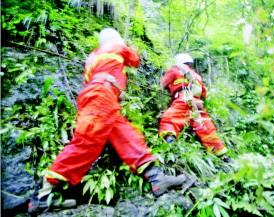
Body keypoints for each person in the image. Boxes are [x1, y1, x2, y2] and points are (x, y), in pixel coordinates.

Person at [28, 28, 186, 213]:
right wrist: (129, 47)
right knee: (84, 145)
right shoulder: (116, 46)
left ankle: (156, 178)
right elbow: (135, 60)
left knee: (128, 138)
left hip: (99, 99)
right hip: (101, 97)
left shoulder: (92, 57)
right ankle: (41, 195)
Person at [159, 53, 229, 157]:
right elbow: (204, 93)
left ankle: (170, 140)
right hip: (197, 104)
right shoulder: (197, 76)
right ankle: (222, 154)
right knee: (205, 127)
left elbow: (163, 83)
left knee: (170, 118)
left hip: (183, 98)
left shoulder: (175, 69)